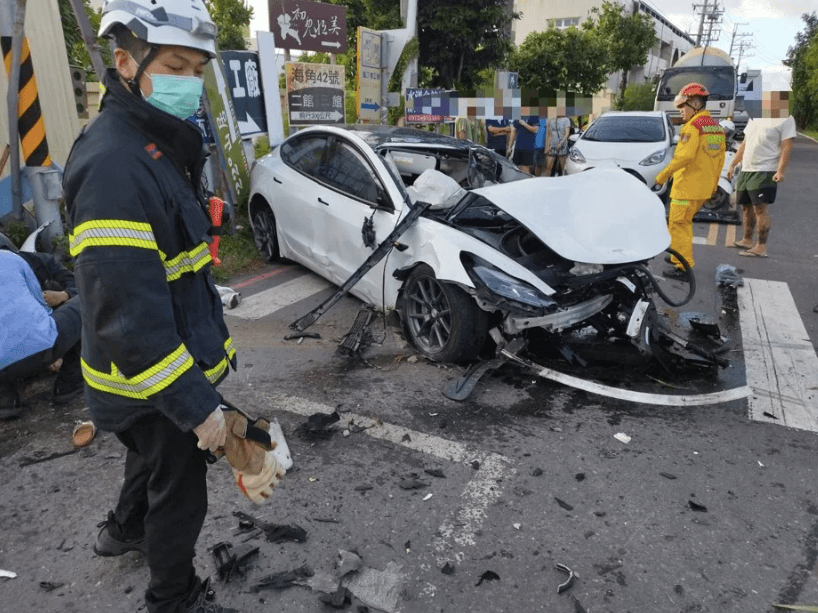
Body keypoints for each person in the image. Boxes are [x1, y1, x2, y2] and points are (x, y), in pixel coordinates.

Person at [61, 1, 281, 611]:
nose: (191, 81)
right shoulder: (115, 165)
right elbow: (129, 321)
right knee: (180, 491)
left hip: (147, 378)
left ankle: (122, 532)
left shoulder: (155, 142)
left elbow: (175, 273)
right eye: (177, 66)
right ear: (126, 62)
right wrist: (200, 412)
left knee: (150, 461)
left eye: (198, 68)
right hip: (146, 381)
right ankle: (173, 596)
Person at [0, 246, 83, 418]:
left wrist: (64, 294)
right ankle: (70, 382)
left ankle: (5, 401)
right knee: (84, 303)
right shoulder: (12, 258)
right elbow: (39, 304)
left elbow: (73, 282)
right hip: (37, 348)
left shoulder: (43, 261)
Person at [654, 83, 725, 280]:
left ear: (695, 103)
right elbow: (719, 159)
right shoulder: (715, 127)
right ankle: (678, 255)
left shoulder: (692, 127)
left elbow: (683, 158)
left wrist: (662, 175)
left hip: (686, 188)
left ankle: (683, 267)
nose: (681, 111)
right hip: (702, 189)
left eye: (683, 107)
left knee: (679, 225)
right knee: (682, 223)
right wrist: (713, 185)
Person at [726, 101, 796, 258]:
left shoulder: (785, 119)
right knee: (745, 206)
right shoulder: (755, 117)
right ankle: (747, 240)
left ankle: (761, 246)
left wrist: (780, 170)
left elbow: (787, 146)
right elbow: (745, 142)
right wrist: (733, 164)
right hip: (746, 168)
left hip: (765, 170)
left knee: (759, 208)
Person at [545, 108, 572, 177]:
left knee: (562, 167)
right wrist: (547, 146)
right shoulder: (551, 120)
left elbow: (567, 133)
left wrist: (561, 143)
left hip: (562, 147)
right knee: (549, 167)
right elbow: (549, 134)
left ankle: (561, 181)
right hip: (552, 147)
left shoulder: (566, 120)